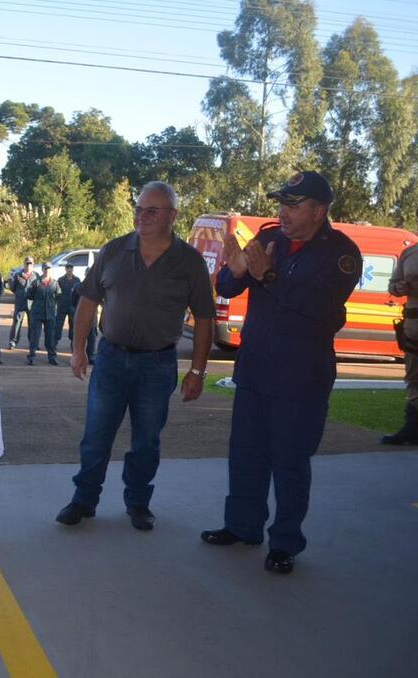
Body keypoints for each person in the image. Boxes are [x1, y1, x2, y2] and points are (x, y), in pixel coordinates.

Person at [201, 171, 362, 575]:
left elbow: (323, 309)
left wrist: (267, 276)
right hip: (255, 369)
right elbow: (226, 285)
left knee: (289, 462)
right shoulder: (269, 238)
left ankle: (285, 542)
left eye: (293, 205)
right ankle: (242, 527)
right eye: (281, 204)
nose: (282, 213)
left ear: (320, 210)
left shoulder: (341, 254)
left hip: (300, 377)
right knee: (245, 457)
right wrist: (236, 271)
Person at [56, 181, 215, 531]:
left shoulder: (188, 261)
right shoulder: (114, 251)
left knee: (146, 441)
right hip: (110, 359)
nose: (142, 216)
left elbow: (205, 319)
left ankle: (138, 503)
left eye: (152, 211)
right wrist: (79, 349)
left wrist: (198, 372)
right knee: (96, 435)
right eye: (139, 209)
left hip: (157, 365)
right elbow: (88, 301)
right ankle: (83, 501)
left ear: (172, 216)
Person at [382, 241, 418, 445]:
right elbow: (392, 286)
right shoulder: (409, 253)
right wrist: (399, 287)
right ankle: (412, 429)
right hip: (414, 325)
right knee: (414, 376)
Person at [27, 262, 61, 365]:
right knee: (35, 337)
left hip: (50, 314)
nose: (47, 270)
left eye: (49, 269)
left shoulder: (55, 283)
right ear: (42, 269)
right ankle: (32, 356)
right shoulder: (36, 282)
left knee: (50, 338)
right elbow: (29, 294)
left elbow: (58, 295)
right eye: (45, 268)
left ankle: (52, 357)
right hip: (37, 313)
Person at [8, 256, 37, 349]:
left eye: (30, 263)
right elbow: (12, 288)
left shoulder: (36, 276)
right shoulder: (17, 275)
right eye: (27, 263)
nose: (28, 265)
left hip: (31, 303)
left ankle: (32, 343)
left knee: (32, 324)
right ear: (24, 264)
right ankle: (13, 342)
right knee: (17, 323)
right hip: (20, 303)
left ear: (33, 265)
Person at [55, 263, 78, 348]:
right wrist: (58, 303)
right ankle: (54, 343)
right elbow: (57, 293)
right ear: (65, 269)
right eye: (68, 268)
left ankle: (73, 345)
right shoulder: (60, 280)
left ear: (73, 269)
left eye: (71, 268)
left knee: (73, 326)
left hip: (73, 307)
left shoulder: (77, 280)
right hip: (62, 306)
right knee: (58, 326)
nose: (69, 269)